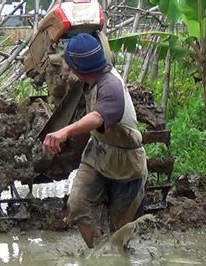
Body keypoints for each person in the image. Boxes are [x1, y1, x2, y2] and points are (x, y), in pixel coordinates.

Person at [43, 33, 148, 248]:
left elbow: (98, 117)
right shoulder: (91, 80)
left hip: (125, 162)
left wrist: (65, 132)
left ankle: (114, 255)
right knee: (78, 205)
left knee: (120, 228)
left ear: (76, 67)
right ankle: (97, 253)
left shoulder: (111, 86)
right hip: (97, 153)